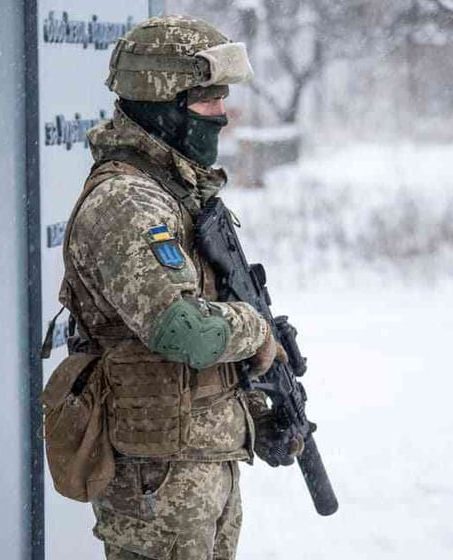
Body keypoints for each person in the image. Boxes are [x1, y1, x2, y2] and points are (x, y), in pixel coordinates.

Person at [59, 15, 301, 560]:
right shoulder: (129, 202)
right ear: (161, 102)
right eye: (208, 99)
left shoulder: (175, 192)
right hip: (160, 484)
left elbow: (197, 346)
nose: (222, 113)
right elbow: (183, 330)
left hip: (194, 469)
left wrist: (257, 413)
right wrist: (255, 329)